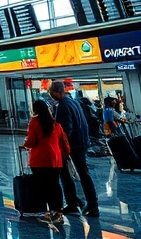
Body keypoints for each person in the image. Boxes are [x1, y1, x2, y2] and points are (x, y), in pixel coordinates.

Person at [50, 81, 98, 217]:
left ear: (57, 92)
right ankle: (85, 202)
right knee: (82, 173)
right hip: (82, 141)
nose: (51, 96)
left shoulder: (63, 106)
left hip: (73, 145)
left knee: (66, 174)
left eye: (51, 93)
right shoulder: (74, 102)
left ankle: (76, 204)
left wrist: (59, 145)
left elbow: (65, 130)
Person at [22, 99, 70, 226]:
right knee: (55, 185)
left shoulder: (34, 122)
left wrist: (24, 145)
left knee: (43, 186)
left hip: (39, 159)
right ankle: (58, 212)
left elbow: (31, 141)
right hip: (55, 159)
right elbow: (64, 142)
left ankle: (47, 212)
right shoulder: (56, 124)